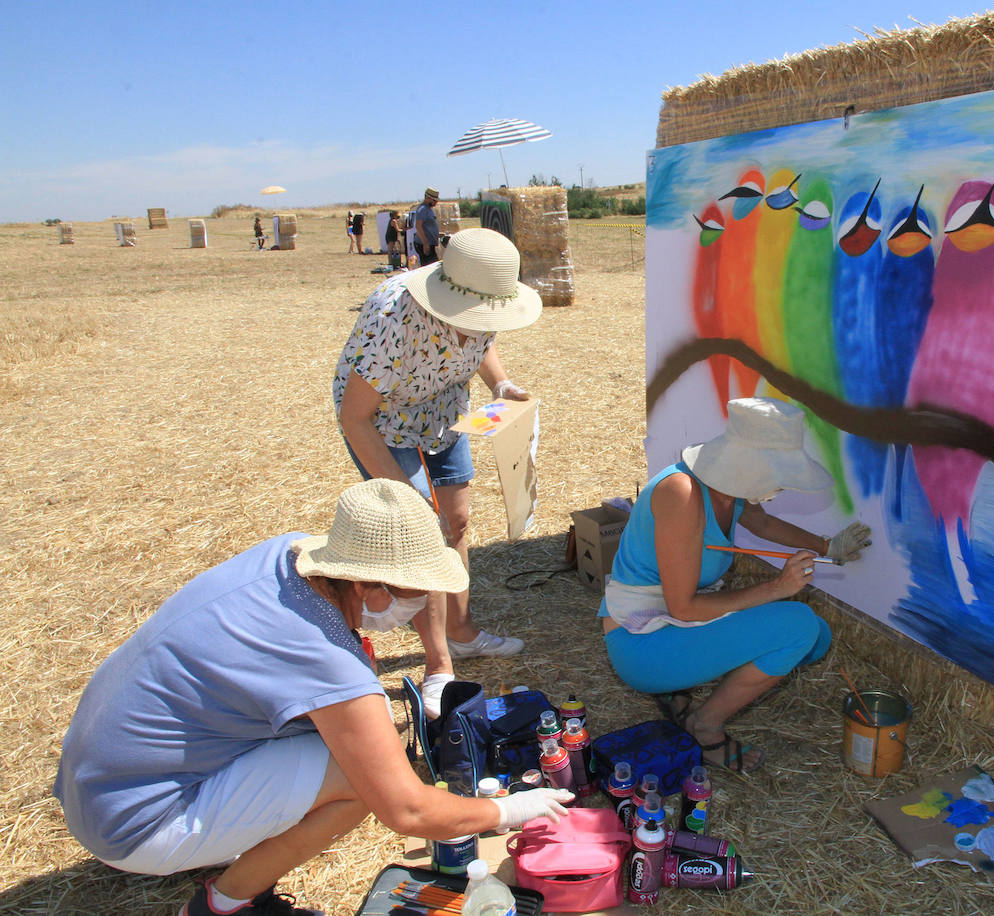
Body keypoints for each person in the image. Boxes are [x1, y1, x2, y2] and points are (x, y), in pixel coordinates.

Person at [54, 479, 573, 916]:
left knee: (351, 755)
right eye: (416, 592)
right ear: (373, 591)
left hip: (97, 784)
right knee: (361, 779)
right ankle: (225, 903)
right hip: (132, 821)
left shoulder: (289, 556)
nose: (423, 603)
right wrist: (507, 812)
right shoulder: (323, 656)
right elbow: (407, 811)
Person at [599, 398, 872, 774]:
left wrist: (828, 546)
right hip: (641, 641)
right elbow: (684, 609)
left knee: (816, 638)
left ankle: (678, 688)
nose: (782, 487)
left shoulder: (729, 489)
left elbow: (763, 525)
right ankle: (703, 724)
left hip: (670, 622)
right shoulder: (682, 493)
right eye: (779, 475)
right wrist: (777, 587)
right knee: (800, 627)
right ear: (750, 469)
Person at [334, 227, 541, 719]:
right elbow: (354, 416)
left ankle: (462, 630)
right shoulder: (392, 318)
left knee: (458, 521)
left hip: (444, 411)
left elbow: (480, 341)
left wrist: (502, 383)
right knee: (421, 534)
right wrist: (407, 498)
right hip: (381, 423)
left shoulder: (482, 292)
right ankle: (440, 664)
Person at [414, 187, 441, 266]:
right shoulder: (422, 209)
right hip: (424, 245)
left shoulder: (428, 209)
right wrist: (425, 243)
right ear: (427, 198)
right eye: (434, 200)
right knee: (430, 268)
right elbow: (418, 226)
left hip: (429, 244)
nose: (436, 203)